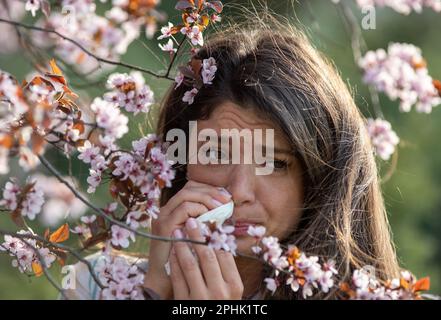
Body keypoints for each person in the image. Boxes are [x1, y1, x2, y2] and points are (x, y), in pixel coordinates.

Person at [63, 11, 400, 300]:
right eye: (215, 153)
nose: (239, 190)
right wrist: (153, 290)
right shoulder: (94, 283)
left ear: (318, 181)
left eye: (274, 163)